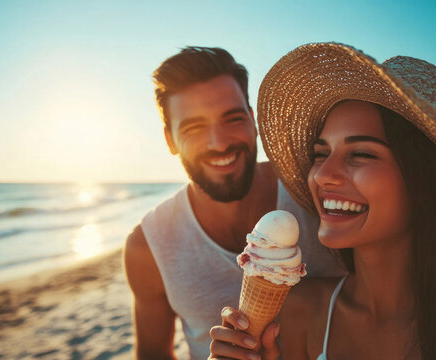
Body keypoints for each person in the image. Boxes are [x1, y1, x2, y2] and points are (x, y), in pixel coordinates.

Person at [209, 43, 436, 359]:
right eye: (321, 153)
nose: (322, 174)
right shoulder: (296, 316)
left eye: (361, 153)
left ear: (423, 181)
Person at [123, 46, 346, 360]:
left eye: (233, 118)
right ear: (169, 139)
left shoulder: (314, 194)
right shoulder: (147, 246)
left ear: (253, 121)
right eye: (193, 127)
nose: (219, 142)